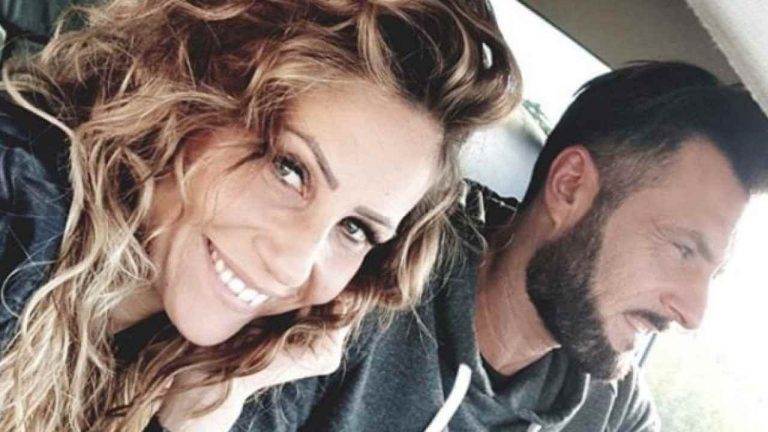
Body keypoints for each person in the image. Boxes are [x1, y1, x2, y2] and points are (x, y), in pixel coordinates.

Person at [0, 0, 519, 430]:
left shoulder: (153, 351)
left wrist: (204, 409)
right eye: (289, 170)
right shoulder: (18, 212)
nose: (292, 266)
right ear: (191, 92)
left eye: (354, 228)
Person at [237, 62, 768, 431]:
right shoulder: (369, 278)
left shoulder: (612, 413)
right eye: (682, 249)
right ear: (570, 188)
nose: (692, 312)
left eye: (712, 273)